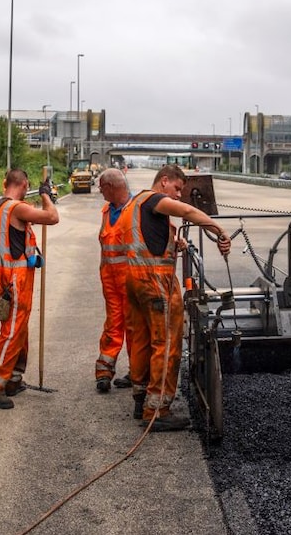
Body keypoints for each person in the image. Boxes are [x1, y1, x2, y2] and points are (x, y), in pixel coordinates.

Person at [124, 164, 231, 431]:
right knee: (167, 343)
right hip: (155, 281)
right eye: (177, 188)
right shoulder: (154, 199)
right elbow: (187, 211)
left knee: (142, 340)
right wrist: (219, 230)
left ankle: (141, 397)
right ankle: (157, 410)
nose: (179, 195)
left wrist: (173, 243)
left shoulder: (136, 203)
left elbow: (148, 237)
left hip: (136, 280)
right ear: (164, 181)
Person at [0, 169, 60, 409]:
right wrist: (46, 195)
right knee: (12, 331)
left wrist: (25, 259)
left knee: (19, 328)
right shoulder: (16, 208)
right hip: (16, 278)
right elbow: (52, 217)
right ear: (24, 185)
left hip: (5, 274)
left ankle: (13, 378)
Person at [94, 168, 133, 393]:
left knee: (134, 328)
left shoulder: (136, 210)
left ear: (110, 187)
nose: (100, 191)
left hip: (131, 281)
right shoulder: (106, 211)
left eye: (102, 188)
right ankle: (104, 372)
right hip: (110, 282)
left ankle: (137, 373)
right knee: (112, 326)